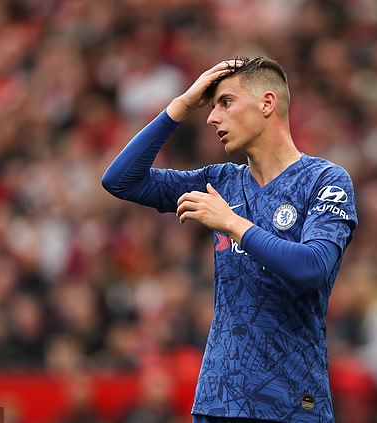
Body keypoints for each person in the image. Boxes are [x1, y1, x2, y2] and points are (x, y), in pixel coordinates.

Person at [102, 57, 358, 423]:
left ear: (267, 104)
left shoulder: (324, 180)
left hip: (291, 402)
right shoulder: (221, 181)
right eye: (211, 106)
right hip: (219, 400)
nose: (212, 117)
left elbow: (313, 268)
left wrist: (232, 223)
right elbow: (120, 180)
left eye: (226, 102)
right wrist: (181, 105)